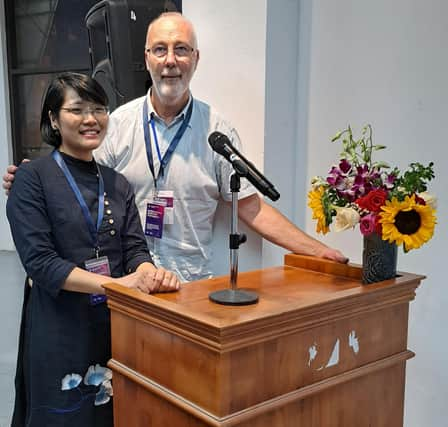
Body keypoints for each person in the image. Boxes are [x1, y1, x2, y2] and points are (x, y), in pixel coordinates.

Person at [4, 12, 347, 283]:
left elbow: (250, 208)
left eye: (181, 49)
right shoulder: (118, 125)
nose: (170, 60)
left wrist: (317, 250)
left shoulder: (217, 132)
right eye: (160, 49)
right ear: (148, 58)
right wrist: (34, 179)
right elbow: (78, 176)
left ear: (196, 58)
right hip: (128, 283)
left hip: (190, 286)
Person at [6, 72, 180, 427]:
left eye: (99, 109)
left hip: (113, 328)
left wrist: (148, 273)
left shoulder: (117, 183)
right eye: (77, 109)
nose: (91, 119)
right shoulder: (32, 179)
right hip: (59, 329)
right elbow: (41, 263)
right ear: (53, 119)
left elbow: (134, 249)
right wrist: (117, 285)